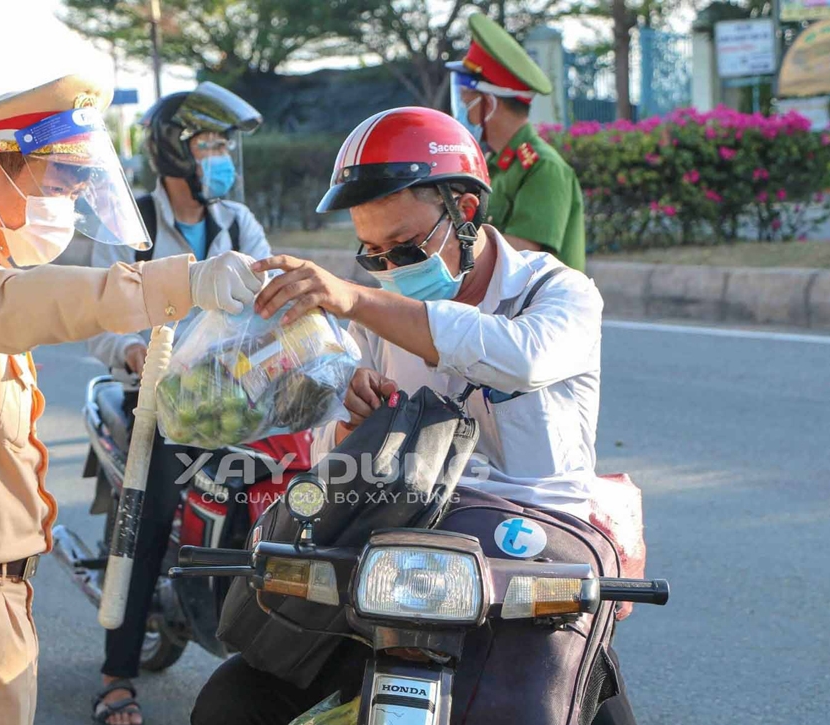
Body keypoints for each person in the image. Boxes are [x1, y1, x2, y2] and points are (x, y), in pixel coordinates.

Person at [191, 107, 635, 725]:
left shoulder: (560, 293)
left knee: (562, 705)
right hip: (402, 556)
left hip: (527, 557)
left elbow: (522, 356)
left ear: (467, 212)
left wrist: (355, 295)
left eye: (403, 246)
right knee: (233, 703)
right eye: (372, 255)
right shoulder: (383, 309)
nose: (391, 268)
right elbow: (334, 449)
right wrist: (348, 422)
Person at [0, 74, 265, 725]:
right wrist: (181, 281)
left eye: (79, 188)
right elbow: (37, 302)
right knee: (147, 514)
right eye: (60, 185)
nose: (71, 205)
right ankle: (117, 670)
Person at [86, 82, 270, 725]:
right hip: (159, 405)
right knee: (146, 514)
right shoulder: (131, 223)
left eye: (225, 146)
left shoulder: (236, 221)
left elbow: (266, 301)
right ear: (174, 151)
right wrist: (137, 353)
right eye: (209, 144)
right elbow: (99, 315)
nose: (221, 157)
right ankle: (116, 677)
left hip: (237, 401)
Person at [448, 13, 587, 272]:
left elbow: (521, 254)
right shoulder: (493, 163)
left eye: (467, 103)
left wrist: (444, 244)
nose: (462, 114)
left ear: (489, 103)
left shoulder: (543, 168)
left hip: (538, 311)